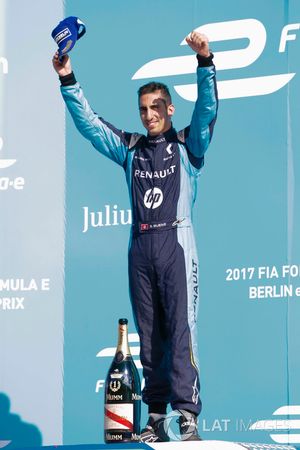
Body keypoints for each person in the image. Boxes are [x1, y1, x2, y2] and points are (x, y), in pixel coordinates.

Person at [53, 31, 218, 442]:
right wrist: (68, 77)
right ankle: (157, 417)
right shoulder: (129, 148)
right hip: (140, 247)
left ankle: (187, 416)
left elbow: (206, 113)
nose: (149, 115)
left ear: (169, 108)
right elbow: (90, 124)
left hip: (176, 245)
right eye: (144, 109)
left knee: (180, 330)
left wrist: (204, 62)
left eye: (157, 107)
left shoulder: (187, 146)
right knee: (151, 337)